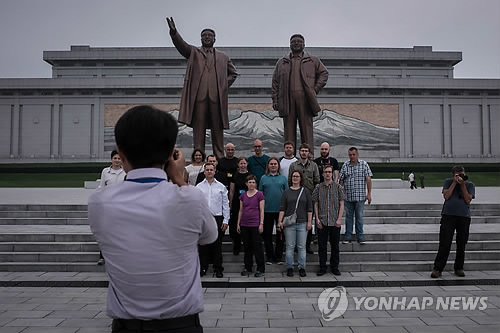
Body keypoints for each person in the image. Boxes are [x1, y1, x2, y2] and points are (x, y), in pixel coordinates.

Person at [88, 105, 217, 332]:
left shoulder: (100, 203)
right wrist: (178, 178)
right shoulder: (189, 198)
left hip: (127, 326)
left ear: (120, 151)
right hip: (181, 325)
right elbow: (210, 236)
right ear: (171, 154)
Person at [166, 17, 238, 159]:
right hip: (199, 98)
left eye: (209, 36)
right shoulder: (194, 53)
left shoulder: (223, 57)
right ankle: (198, 156)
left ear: (214, 39)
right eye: (204, 35)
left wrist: (222, 86)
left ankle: (219, 156)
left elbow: (233, 74)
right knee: (198, 130)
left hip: (216, 99)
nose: (207, 37)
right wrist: (174, 32)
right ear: (200, 39)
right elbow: (182, 46)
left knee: (217, 130)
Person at [272, 34, 328, 151]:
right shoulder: (282, 62)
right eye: (293, 42)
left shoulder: (313, 60)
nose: (296, 43)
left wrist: (315, 89)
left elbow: (324, 73)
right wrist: (275, 100)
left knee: (306, 130)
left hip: (305, 100)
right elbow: (275, 83)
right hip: (287, 100)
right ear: (290, 44)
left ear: (304, 44)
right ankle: (289, 157)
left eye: (299, 41)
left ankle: (309, 158)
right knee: (289, 131)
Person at [431, 166, 475, 278]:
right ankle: (438, 269)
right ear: (453, 175)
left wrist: (462, 184)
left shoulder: (469, 185)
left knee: (461, 244)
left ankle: (459, 268)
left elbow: (467, 199)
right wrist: (454, 183)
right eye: (458, 175)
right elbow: (446, 196)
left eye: (462, 174)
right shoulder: (448, 182)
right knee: (444, 243)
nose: (460, 176)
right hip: (448, 216)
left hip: (464, 217)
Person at [196, 163, 230, 278]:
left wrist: (226, 220)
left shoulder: (221, 187)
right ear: (204, 172)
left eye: (211, 170)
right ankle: (203, 267)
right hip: (203, 218)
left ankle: (218, 268)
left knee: (217, 245)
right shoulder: (199, 187)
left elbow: (225, 204)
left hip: (217, 218)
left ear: (215, 171)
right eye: (207, 170)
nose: (209, 171)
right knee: (203, 245)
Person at [278, 170, 313, 277]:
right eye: (293, 176)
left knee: (301, 247)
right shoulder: (286, 192)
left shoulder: (306, 191)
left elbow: (309, 208)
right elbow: (282, 208)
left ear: (301, 178)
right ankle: (290, 267)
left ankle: (302, 267)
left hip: (303, 222)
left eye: (297, 176)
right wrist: (279, 221)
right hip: (289, 224)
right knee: (290, 246)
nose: (295, 178)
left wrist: (310, 222)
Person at [313, 165, 346, 276]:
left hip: (334, 221)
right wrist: (317, 218)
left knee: (335, 246)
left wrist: (339, 219)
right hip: (322, 221)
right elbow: (316, 203)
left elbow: (342, 203)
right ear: (322, 174)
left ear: (332, 173)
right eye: (325, 172)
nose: (327, 174)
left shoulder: (338, 187)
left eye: (329, 172)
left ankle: (334, 267)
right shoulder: (318, 187)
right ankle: (322, 267)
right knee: (322, 247)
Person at [288, 143, 320, 254]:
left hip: (309, 197)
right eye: (302, 151)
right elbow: (289, 181)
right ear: (299, 152)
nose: (304, 153)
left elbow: (317, 182)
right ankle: (296, 245)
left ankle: (307, 245)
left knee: (308, 222)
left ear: (309, 153)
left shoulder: (314, 166)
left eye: (306, 151)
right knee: (296, 221)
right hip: (296, 198)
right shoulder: (293, 166)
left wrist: (315, 198)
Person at [96, 149, 126, 265]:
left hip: (121, 206)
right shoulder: (105, 171)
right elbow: (101, 187)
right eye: (115, 158)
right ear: (111, 159)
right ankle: (102, 256)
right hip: (108, 205)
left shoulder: (125, 172)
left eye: (119, 159)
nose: (117, 161)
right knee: (106, 232)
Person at [339, 147, 373, 245]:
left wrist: (369, 194)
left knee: (359, 217)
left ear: (357, 154)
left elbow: (368, 179)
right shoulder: (345, 165)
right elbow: (341, 180)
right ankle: (348, 236)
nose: (352, 156)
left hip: (360, 197)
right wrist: (340, 194)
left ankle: (360, 237)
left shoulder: (364, 164)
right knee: (348, 217)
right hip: (348, 197)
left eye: (354, 154)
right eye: (350, 155)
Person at [259, 157, 288, 264]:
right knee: (267, 235)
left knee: (280, 234)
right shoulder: (263, 178)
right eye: (271, 164)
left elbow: (287, 194)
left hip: (280, 211)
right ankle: (270, 257)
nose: (273, 165)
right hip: (267, 211)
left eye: (275, 164)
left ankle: (278, 257)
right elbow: (260, 195)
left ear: (278, 166)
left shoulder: (283, 178)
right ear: (268, 165)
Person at [237, 174, 266, 277]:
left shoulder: (260, 194)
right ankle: (248, 267)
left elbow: (262, 210)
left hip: (255, 224)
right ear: (246, 184)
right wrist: (238, 223)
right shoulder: (243, 195)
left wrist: (261, 223)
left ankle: (260, 268)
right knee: (247, 247)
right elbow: (240, 210)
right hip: (245, 224)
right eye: (249, 182)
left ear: (256, 183)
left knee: (257, 247)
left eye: (253, 182)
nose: (251, 184)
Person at [228, 157, 250, 255]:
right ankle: (236, 245)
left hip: (248, 202)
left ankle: (247, 246)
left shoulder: (250, 176)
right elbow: (232, 191)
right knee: (235, 224)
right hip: (237, 202)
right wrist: (230, 203)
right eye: (241, 163)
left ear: (247, 164)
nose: (243, 165)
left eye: (244, 163)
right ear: (238, 164)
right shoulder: (234, 176)